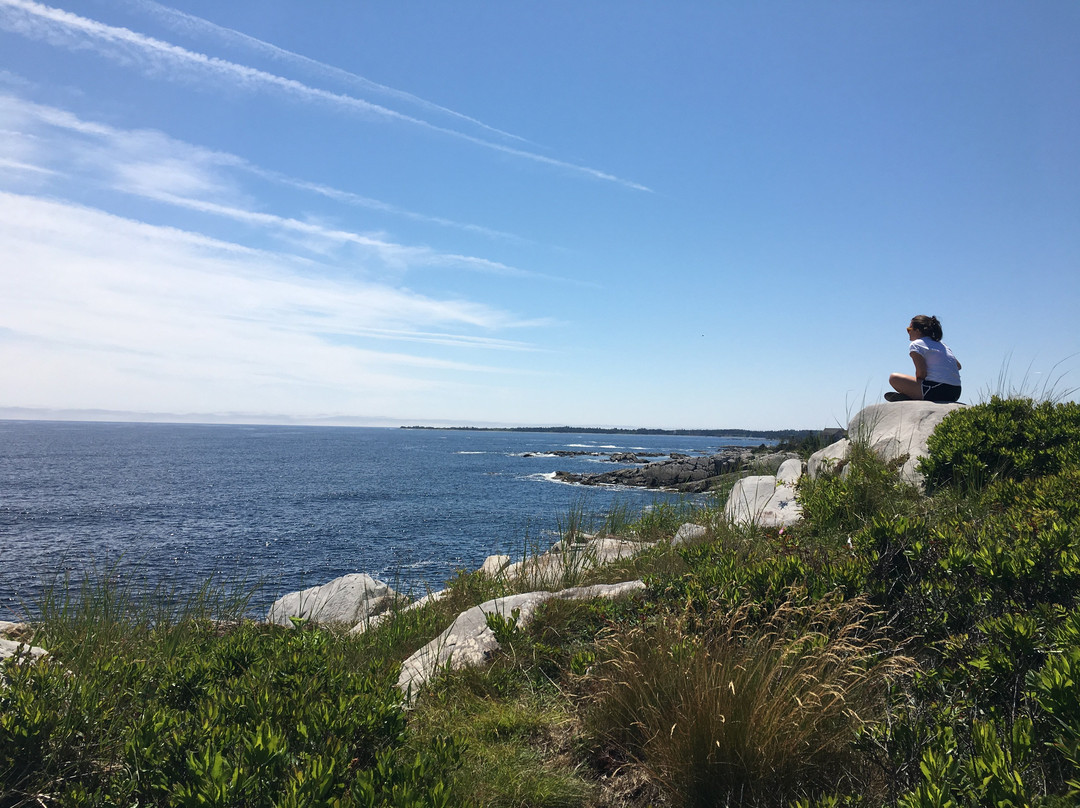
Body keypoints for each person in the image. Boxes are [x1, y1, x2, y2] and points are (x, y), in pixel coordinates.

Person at [886, 315, 962, 403]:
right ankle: (914, 394)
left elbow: (921, 373)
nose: (908, 332)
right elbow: (958, 366)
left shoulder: (916, 344)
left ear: (917, 330)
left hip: (936, 390)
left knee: (894, 378)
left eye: (909, 329)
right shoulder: (942, 345)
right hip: (956, 392)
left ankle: (911, 397)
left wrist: (914, 387)